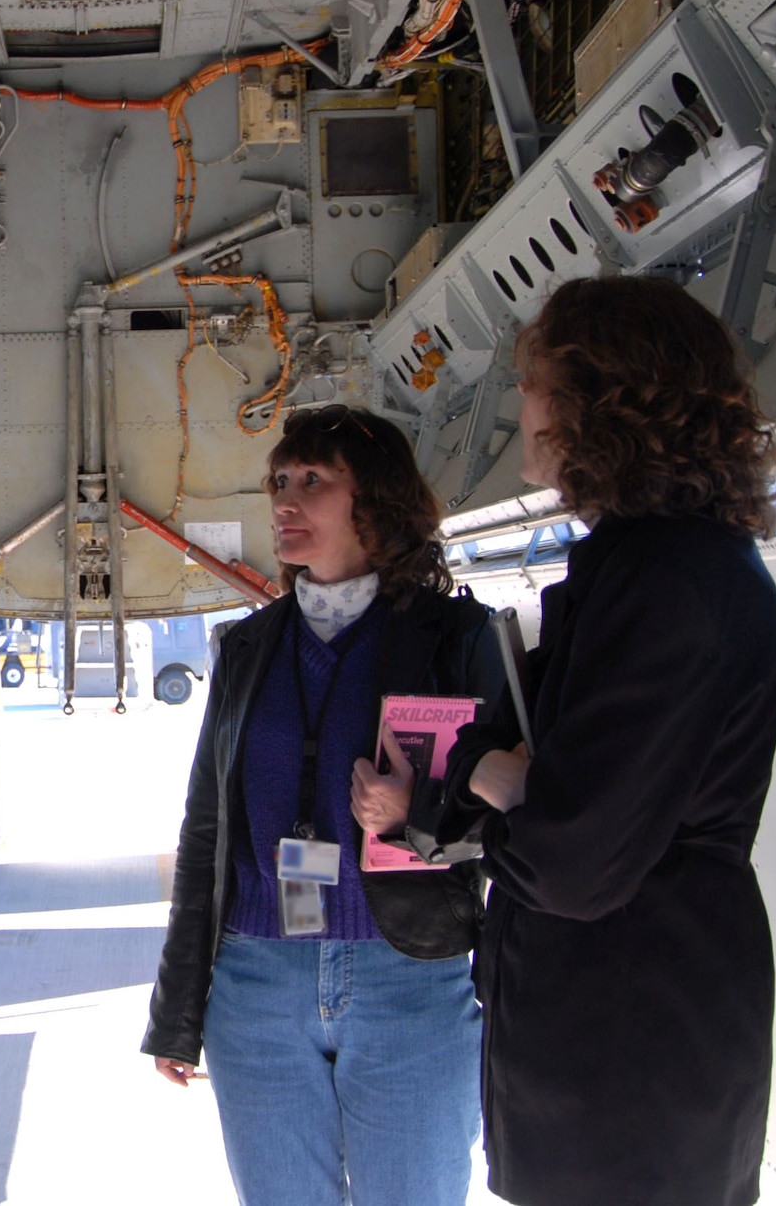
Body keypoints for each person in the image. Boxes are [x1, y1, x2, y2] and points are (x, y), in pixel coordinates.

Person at [448, 276, 776, 1206]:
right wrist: (521, 781)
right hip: (623, 1055)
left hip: (636, 1068)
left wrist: (495, 773)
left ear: (594, 400)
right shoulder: (659, 565)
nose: (520, 403)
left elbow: (572, 860)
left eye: (533, 382)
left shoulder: (666, 580)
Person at [143, 404, 502, 1205]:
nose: (285, 502)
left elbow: (517, 812)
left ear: (373, 504)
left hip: (407, 974)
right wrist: (178, 1008)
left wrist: (420, 807)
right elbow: (206, 831)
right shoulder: (248, 648)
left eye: (313, 481)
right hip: (257, 983)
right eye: (279, 482)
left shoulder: (455, 637)